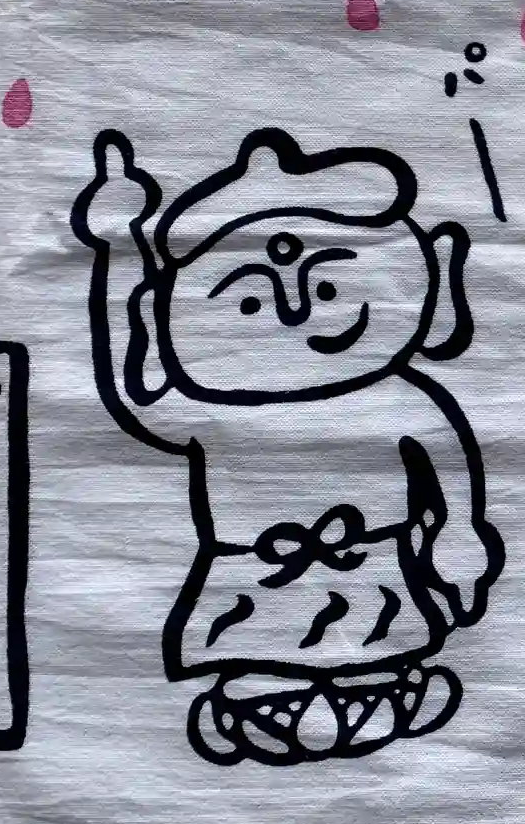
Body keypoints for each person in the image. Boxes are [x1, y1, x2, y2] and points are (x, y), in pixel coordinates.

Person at [71, 128, 502, 765]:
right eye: (251, 299)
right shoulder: (213, 413)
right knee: (261, 670)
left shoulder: (396, 397)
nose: (295, 309)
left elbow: (448, 469)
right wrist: (118, 249)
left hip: (371, 571)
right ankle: (281, 712)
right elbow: (135, 396)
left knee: (375, 660)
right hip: (257, 581)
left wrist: (458, 534)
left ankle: (372, 703)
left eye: (327, 287)